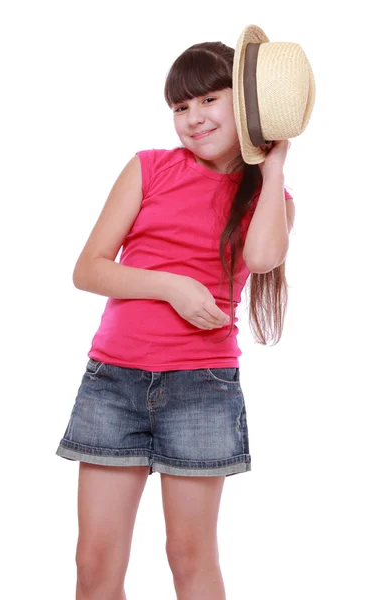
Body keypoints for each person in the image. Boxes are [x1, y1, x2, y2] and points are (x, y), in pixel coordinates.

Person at [56, 40, 295, 600]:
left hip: (201, 390)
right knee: (93, 563)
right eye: (180, 107)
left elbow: (261, 260)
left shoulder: (272, 197)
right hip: (112, 383)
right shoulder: (149, 168)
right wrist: (171, 286)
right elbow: (87, 270)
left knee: (189, 557)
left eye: (209, 100)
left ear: (246, 104)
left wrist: (275, 160)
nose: (193, 118)